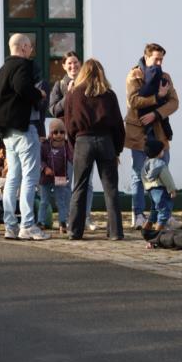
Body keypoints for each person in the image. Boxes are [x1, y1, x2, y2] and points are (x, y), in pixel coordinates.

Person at [0, 34, 50, 241]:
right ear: (23, 47)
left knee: (13, 178)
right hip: (24, 129)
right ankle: (27, 225)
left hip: (7, 132)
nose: (31, 51)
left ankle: (10, 226)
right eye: (30, 47)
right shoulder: (22, 65)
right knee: (30, 177)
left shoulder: (1, 70)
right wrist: (39, 95)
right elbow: (22, 87)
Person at [65, 59, 125, 241]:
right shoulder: (109, 95)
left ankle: (74, 231)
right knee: (111, 188)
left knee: (79, 187)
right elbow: (118, 126)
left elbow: (69, 124)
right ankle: (115, 232)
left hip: (83, 140)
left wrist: (74, 146)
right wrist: (117, 150)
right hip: (106, 140)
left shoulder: (74, 94)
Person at [125, 43, 179, 230]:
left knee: (163, 172)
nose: (158, 62)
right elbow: (133, 101)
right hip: (138, 131)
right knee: (138, 173)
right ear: (146, 57)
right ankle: (138, 214)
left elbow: (174, 102)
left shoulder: (165, 77)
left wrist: (156, 113)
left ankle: (164, 215)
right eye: (155, 58)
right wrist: (157, 98)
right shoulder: (134, 75)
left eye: (161, 59)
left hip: (159, 130)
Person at [49, 50, 96, 230]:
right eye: (69, 63)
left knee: (87, 181)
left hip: (85, 137)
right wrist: (68, 96)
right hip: (66, 140)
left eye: (76, 62)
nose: (73, 66)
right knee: (67, 180)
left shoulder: (88, 84)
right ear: (64, 66)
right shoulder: (59, 86)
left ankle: (86, 216)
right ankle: (70, 216)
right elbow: (53, 110)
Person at [38, 120, 73, 234]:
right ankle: (41, 221)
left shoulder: (67, 146)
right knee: (44, 201)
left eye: (62, 132)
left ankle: (62, 222)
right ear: (50, 133)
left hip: (60, 178)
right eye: (55, 132)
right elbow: (40, 159)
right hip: (46, 178)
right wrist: (45, 168)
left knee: (61, 201)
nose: (59, 135)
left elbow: (71, 157)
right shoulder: (45, 145)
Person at [141, 138, 177, 233]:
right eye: (162, 150)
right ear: (158, 152)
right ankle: (156, 236)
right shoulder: (161, 164)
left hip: (151, 191)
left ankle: (146, 231)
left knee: (154, 210)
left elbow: (143, 178)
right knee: (164, 211)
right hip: (161, 190)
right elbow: (167, 179)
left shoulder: (145, 164)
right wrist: (172, 190)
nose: (163, 152)